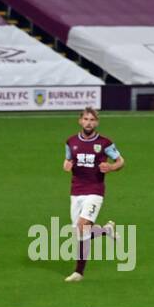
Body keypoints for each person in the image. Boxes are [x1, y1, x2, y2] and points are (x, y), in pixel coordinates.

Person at [62, 107, 122, 282]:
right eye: (86, 119)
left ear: (97, 122)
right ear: (80, 121)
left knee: (82, 226)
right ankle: (106, 230)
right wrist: (66, 164)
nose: (89, 123)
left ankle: (78, 272)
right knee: (80, 232)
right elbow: (68, 159)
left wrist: (111, 167)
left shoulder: (105, 143)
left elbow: (120, 161)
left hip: (95, 190)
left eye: (92, 120)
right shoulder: (71, 141)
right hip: (76, 191)